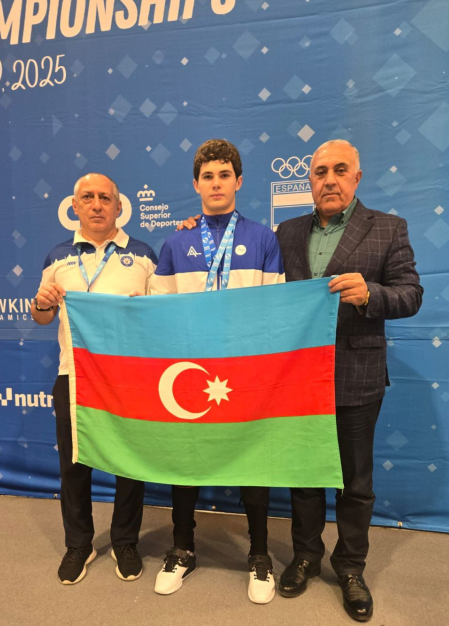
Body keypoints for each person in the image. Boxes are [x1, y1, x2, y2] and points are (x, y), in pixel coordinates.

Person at [275, 140, 423, 622]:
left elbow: (411, 294)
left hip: (356, 375)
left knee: (355, 482)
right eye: (320, 172)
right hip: (298, 378)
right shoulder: (286, 232)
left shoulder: (388, 228)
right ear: (310, 181)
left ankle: (351, 568)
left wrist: (370, 294)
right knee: (304, 476)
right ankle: (305, 555)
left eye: (340, 170)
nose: (329, 180)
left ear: (357, 178)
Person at [149, 139, 285, 604]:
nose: (216, 183)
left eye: (224, 175)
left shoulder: (264, 239)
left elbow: (274, 309)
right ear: (196, 184)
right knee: (186, 457)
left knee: (253, 458)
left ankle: (260, 555)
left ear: (239, 181)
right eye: (207, 176)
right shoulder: (176, 242)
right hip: (189, 369)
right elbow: (159, 312)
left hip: (244, 370)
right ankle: (182, 548)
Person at [32, 173, 157, 585]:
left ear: (119, 206)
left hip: (128, 379)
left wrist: (147, 309)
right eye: (88, 197)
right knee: (73, 466)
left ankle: (125, 541)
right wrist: (41, 302)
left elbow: (161, 318)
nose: (97, 205)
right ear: (75, 205)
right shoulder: (57, 257)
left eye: (106, 197)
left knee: (129, 465)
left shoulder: (143, 254)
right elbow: (42, 316)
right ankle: (78, 544)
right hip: (73, 376)